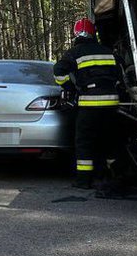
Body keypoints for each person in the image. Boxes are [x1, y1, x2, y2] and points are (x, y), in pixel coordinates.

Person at [54, 18, 127, 189]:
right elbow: (122, 72)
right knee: (111, 142)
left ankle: (84, 181)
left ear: (76, 34)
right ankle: (117, 177)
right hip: (111, 104)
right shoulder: (108, 52)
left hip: (89, 104)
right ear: (93, 34)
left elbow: (58, 71)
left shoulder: (74, 53)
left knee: (84, 142)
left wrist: (69, 87)